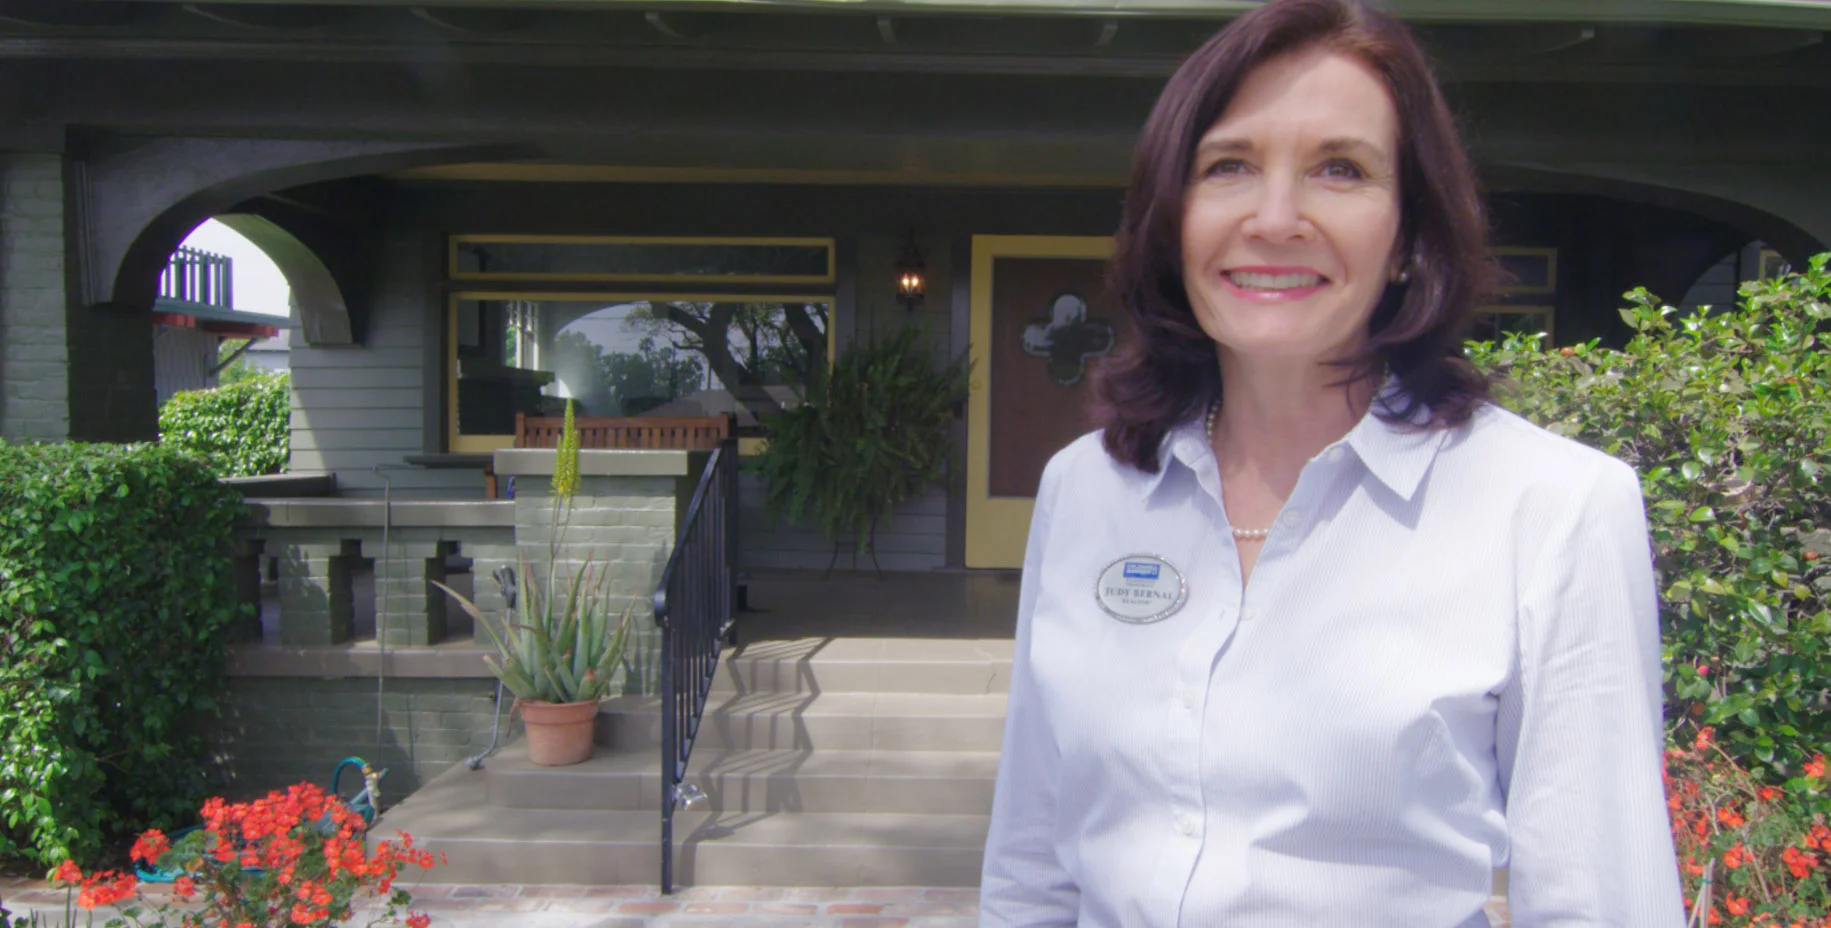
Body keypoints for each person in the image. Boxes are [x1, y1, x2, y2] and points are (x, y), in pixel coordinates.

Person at [978, 1, 1683, 925]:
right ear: (1172, 216)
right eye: (1227, 165)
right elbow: (1033, 865)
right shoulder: (1086, 486)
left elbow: (1603, 902)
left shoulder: (1551, 507)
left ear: (1409, 236)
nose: (1275, 219)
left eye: (1339, 170)